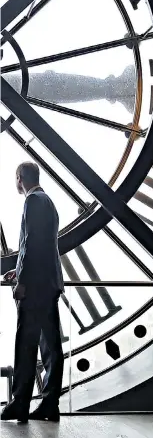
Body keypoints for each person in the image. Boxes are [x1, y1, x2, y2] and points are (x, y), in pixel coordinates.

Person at [1, 162, 64, 424]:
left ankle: (20, 404)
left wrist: (22, 279)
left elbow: (30, 242)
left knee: (26, 345)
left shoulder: (32, 202)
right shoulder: (47, 201)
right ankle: (50, 403)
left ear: (19, 178)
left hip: (35, 287)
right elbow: (42, 245)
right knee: (51, 346)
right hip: (48, 284)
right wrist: (20, 270)